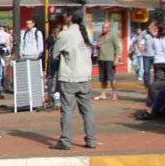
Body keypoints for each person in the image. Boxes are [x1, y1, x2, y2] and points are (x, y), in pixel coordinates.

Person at [50, 11, 98, 150]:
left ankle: (65, 140)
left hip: (69, 76)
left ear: (69, 17)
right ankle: (91, 139)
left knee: (67, 110)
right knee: (87, 110)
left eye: (65, 15)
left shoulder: (65, 34)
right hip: (85, 76)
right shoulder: (85, 33)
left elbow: (54, 54)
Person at [95, 22, 122, 101]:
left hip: (110, 59)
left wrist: (117, 58)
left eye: (106, 27)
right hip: (101, 59)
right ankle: (103, 94)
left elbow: (118, 48)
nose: (104, 29)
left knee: (112, 78)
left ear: (109, 28)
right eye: (103, 27)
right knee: (103, 78)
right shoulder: (100, 36)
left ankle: (114, 94)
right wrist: (97, 46)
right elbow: (98, 46)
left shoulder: (113, 36)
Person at [135, 24, 154, 89]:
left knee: (157, 71)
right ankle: (147, 86)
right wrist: (140, 48)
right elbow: (138, 39)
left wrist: (152, 32)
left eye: (151, 26)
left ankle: (156, 86)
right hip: (147, 54)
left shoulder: (157, 31)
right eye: (149, 26)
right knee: (146, 71)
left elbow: (156, 37)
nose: (149, 27)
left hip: (156, 54)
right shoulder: (144, 32)